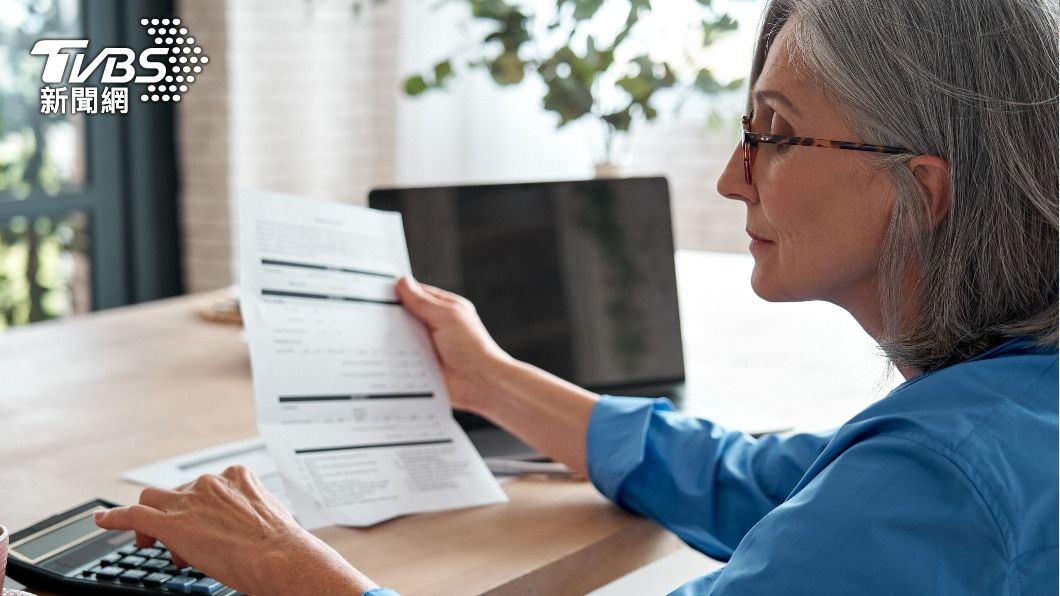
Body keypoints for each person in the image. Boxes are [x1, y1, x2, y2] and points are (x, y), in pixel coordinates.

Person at [95, 0, 1059, 593]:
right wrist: (495, 380)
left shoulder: (944, 482)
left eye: (775, 131)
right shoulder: (1005, 416)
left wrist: (286, 570)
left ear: (920, 192)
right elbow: (767, 482)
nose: (733, 176)